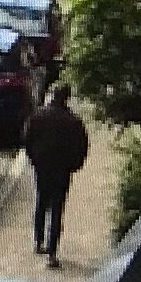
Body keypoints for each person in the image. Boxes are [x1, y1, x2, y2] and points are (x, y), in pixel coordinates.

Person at [23, 86, 89, 269]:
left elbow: (27, 139)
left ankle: (38, 241)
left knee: (41, 202)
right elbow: (82, 146)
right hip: (62, 169)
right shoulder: (73, 122)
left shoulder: (38, 116)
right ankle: (52, 252)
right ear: (67, 98)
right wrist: (74, 165)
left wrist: (34, 159)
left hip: (42, 167)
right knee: (57, 209)